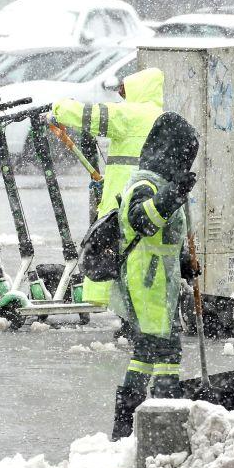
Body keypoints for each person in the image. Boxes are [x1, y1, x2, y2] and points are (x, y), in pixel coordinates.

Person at [108, 112, 201, 439]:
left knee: (146, 352)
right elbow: (142, 221)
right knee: (168, 350)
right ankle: (165, 417)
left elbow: (167, 236)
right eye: (184, 157)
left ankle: (126, 423)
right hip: (147, 283)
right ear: (172, 154)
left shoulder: (161, 184)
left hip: (161, 283)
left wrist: (187, 261)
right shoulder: (144, 185)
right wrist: (174, 195)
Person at [50, 68, 165, 309]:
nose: (122, 96)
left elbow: (89, 116)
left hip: (123, 196)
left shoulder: (132, 114)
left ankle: (125, 311)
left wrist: (60, 107)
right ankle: (134, 308)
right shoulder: (160, 115)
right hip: (149, 198)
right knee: (138, 255)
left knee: (110, 248)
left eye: (125, 90)